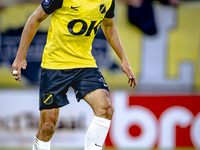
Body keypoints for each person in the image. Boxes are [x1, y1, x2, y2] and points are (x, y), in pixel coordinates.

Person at [11, 0, 137, 149]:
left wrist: (124, 60)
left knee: (106, 108)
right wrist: (20, 57)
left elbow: (109, 26)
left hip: (85, 64)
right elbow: (35, 18)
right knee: (48, 124)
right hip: (55, 65)